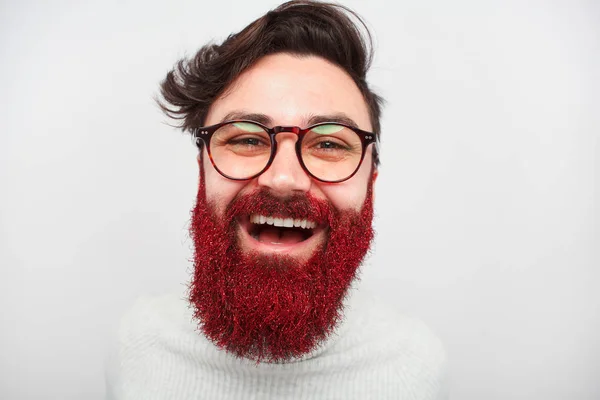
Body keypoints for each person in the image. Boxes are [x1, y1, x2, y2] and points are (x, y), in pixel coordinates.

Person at [106, 1, 447, 398]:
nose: (284, 179)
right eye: (247, 139)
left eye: (329, 144)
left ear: (370, 181)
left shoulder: (416, 368)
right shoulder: (135, 348)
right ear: (203, 169)